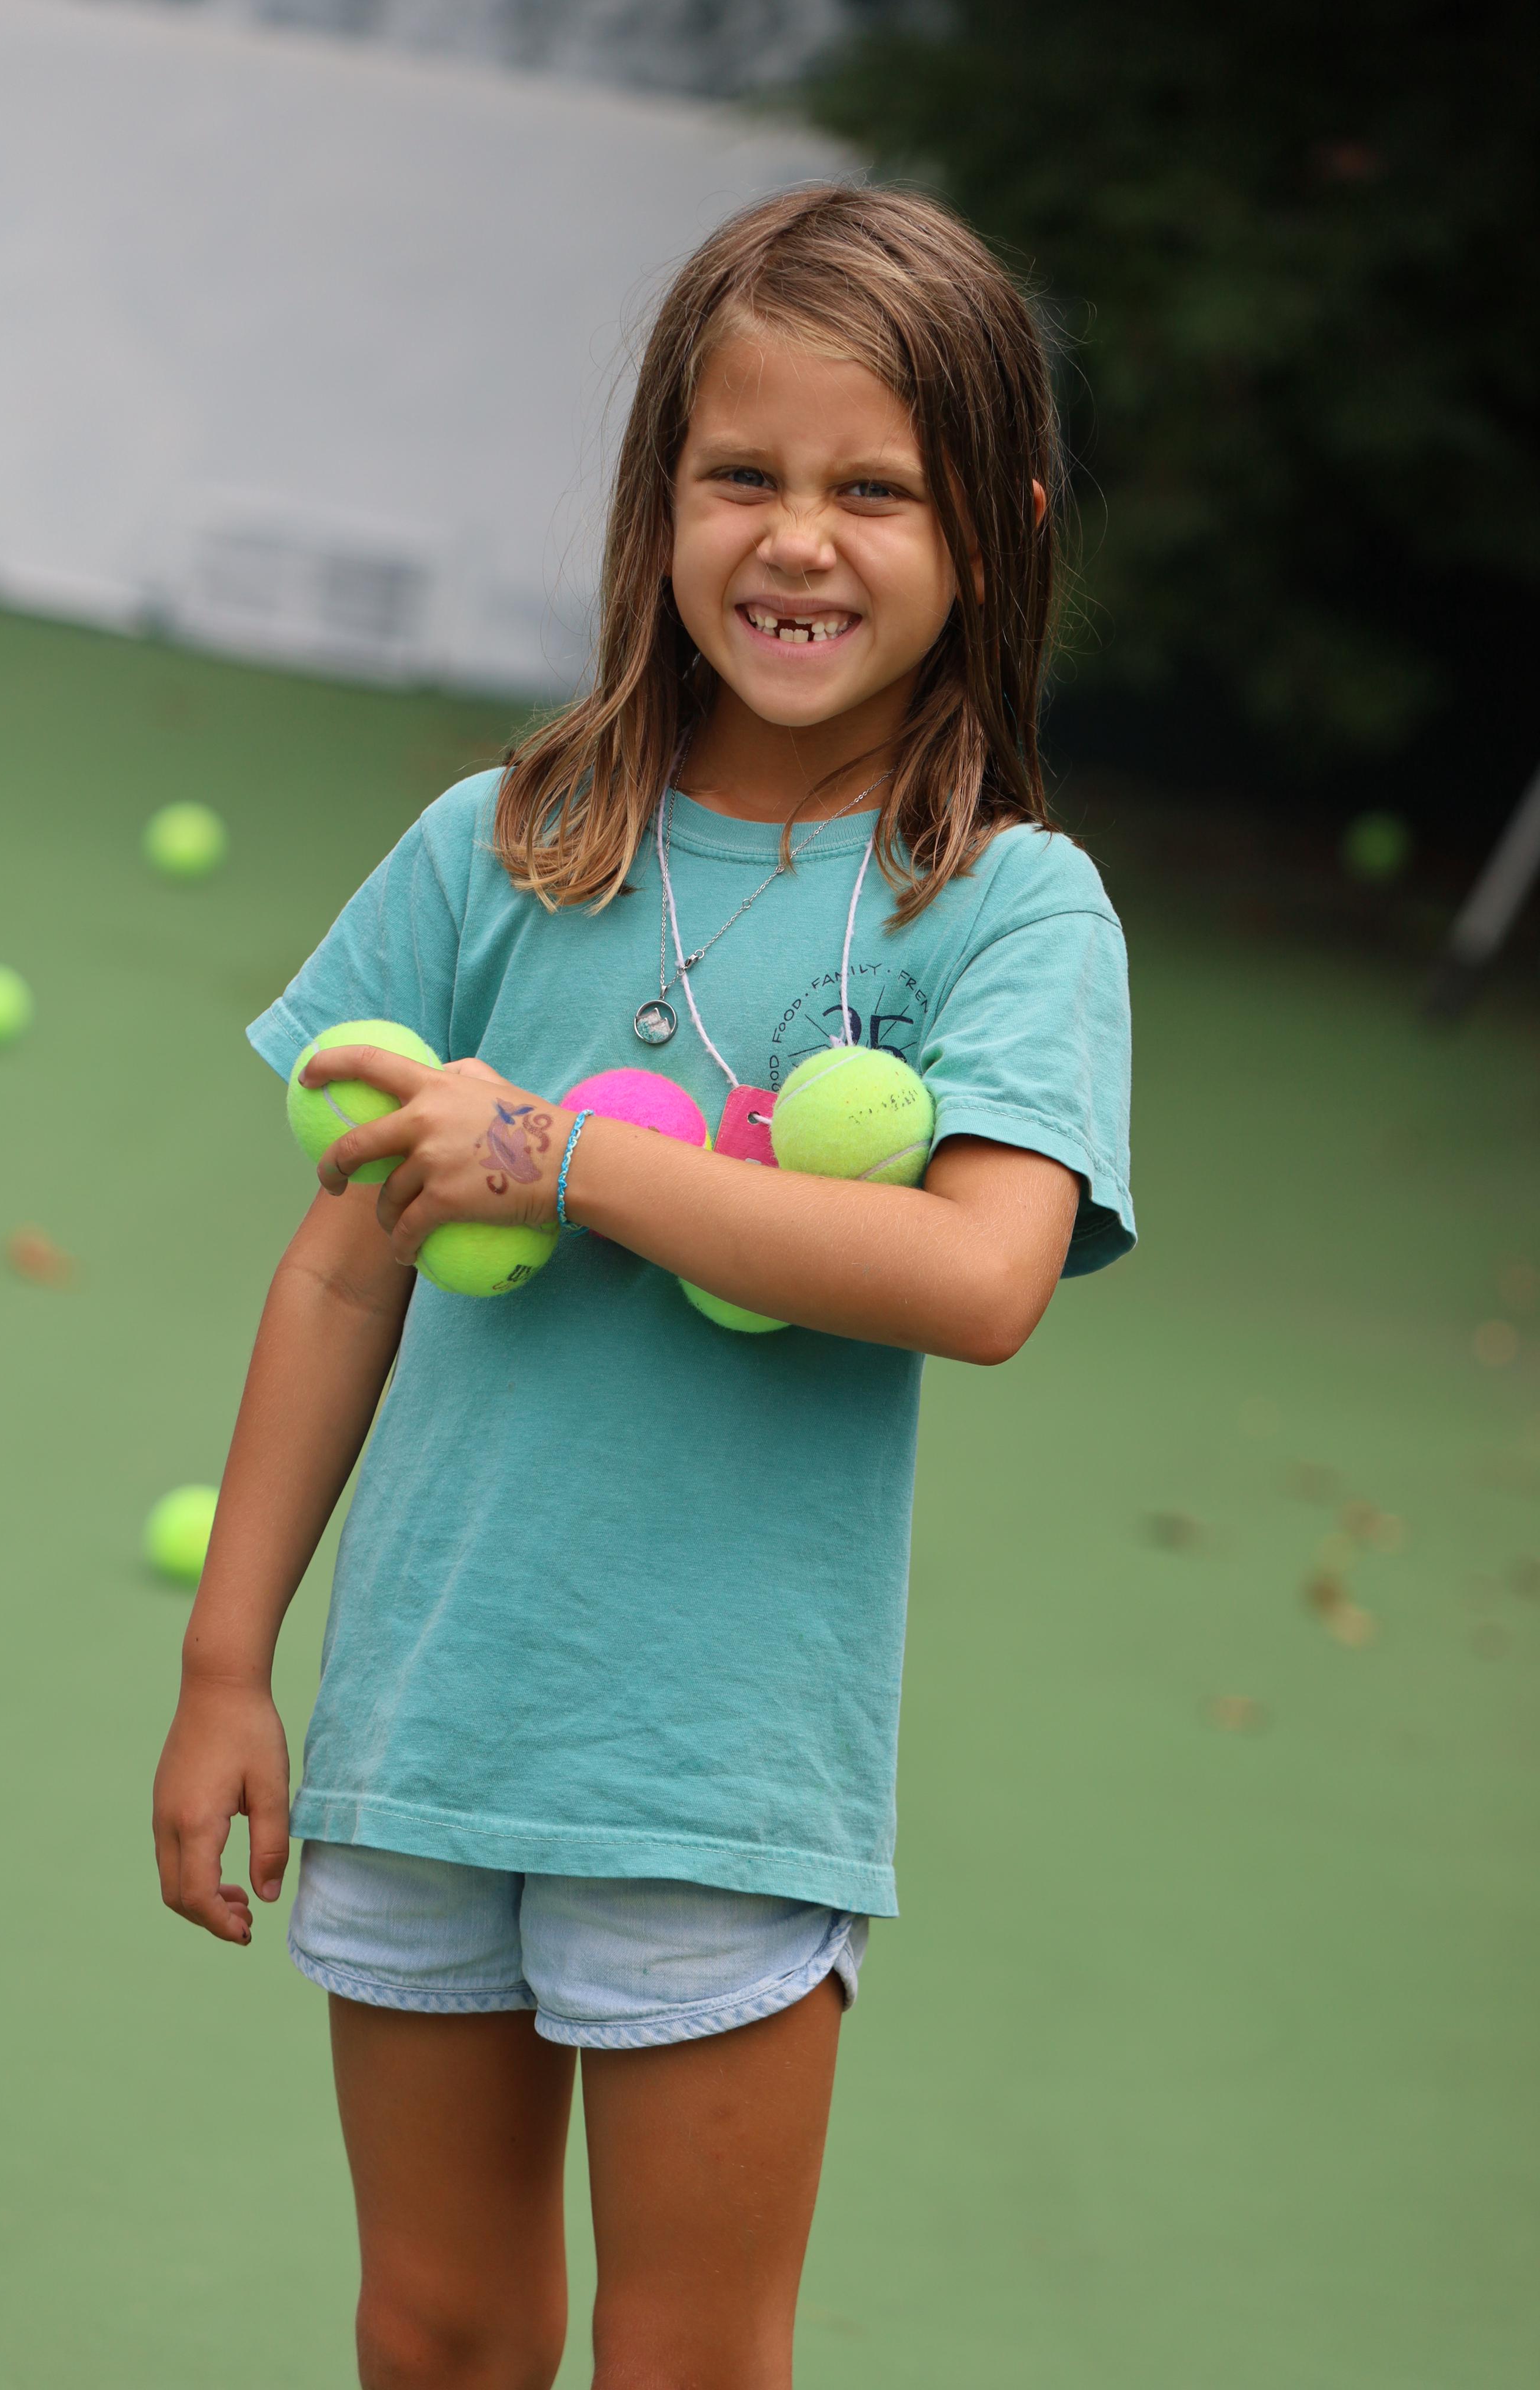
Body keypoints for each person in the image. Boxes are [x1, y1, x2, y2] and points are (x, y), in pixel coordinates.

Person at [152, 183, 1134, 2390]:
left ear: (996, 531)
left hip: (714, 1775)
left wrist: (572, 1160)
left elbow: (985, 1274)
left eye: (875, 490)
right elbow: (340, 1283)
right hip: (427, 1731)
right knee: (435, 2332)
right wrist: (228, 1667)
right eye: (742, 475)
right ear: (657, 498)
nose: (799, 541)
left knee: (687, 2357)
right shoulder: (502, 845)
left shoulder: (1006, 912)